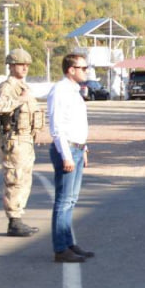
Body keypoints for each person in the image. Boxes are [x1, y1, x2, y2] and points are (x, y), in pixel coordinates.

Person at [48, 52, 95, 263]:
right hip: (66, 150)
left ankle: (68, 243)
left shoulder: (75, 91)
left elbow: (76, 125)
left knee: (71, 199)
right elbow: (57, 127)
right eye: (83, 68)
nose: (87, 71)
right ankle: (60, 249)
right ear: (71, 70)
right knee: (63, 201)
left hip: (76, 148)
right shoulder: (60, 91)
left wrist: (83, 149)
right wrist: (66, 156)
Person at [0, 47, 45, 237]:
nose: (24, 68)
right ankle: (14, 220)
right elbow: (0, 107)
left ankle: (18, 217)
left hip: (25, 138)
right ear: (11, 66)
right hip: (14, 139)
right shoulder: (8, 87)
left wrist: (35, 132)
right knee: (15, 179)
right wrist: (18, 100)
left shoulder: (24, 87)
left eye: (26, 65)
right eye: (20, 65)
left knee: (24, 179)